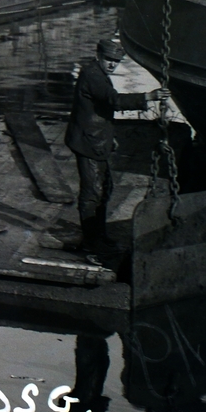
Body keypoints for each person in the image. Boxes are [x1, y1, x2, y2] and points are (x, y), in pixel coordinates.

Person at [65, 39, 151, 256]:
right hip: (87, 143)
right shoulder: (92, 75)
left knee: (105, 190)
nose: (112, 65)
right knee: (92, 193)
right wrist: (147, 97)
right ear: (99, 56)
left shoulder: (97, 74)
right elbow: (113, 100)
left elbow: (99, 109)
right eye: (109, 60)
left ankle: (99, 236)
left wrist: (109, 136)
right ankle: (90, 242)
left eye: (116, 61)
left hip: (96, 139)